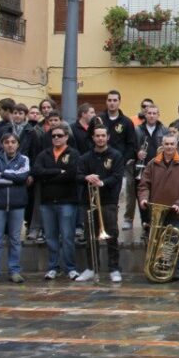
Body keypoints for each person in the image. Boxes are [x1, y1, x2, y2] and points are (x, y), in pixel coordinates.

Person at [137, 133, 179, 279]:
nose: (169, 147)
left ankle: (177, 269)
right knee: (156, 242)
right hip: (156, 210)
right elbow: (144, 185)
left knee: (175, 243)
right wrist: (143, 199)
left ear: (176, 146)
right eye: (166, 144)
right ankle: (155, 269)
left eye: (172, 144)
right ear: (162, 146)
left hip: (176, 211)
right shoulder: (152, 163)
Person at [32, 123, 82, 281]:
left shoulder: (73, 153)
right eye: (53, 136)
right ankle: (53, 267)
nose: (56, 138)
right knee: (51, 237)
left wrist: (49, 177)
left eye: (59, 135)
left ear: (66, 137)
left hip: (67, 201)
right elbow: (37, 172)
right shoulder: (44, 154)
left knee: (67, 236)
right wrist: (56, 172)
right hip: (47, 202)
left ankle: (70, 268)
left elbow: (72, 174)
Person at [76, 125, 125, 283]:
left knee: (111, 235)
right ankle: (91, 268)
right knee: (90, 237)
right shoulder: (85, 157)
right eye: (97, 136)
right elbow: (77, 175)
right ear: (93, 138)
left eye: (103, 135)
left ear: (108, 137)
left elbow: (117, 176)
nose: (100, 138)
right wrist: (86, 178)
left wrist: (102, 183)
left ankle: (114, 268)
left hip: (108, 201)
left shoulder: (116, 155)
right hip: (89, 202)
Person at [0, 133, 30, 285]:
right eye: (7, 142)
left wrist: (3, 173)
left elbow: (23, 176)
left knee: (16, 240)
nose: (10, 145)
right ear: (2, 144)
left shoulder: (24, 159)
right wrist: (13, 180)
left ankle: (15, 271)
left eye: (13, 142)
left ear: (18, 144)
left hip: (17, 205)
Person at [101, 91, 138, 230]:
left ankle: (119, 223)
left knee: (121, 195)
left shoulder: (126, 122)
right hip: (100, 163)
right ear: (106, 101)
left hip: (120, 165)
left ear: (119, 102)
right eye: (109, 100)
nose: (112, 103)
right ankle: (102, 224)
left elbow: (131, 144)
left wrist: (122, 161)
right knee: (101, 194)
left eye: (115, 100)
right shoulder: (99, 120)